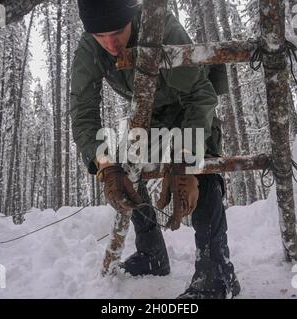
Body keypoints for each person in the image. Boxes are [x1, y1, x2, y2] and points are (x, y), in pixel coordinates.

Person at [70, 0, 240, 299]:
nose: (110, 43)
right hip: (149, 112)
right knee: (124, 166)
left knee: (202, 166)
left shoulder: (161, 27)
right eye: (100, 36)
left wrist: (186, 162)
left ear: (130, 19)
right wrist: (105, 163)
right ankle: (152, 254)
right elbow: (83, 114)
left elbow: (200, 96)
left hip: (191, 104)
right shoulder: (89, 47)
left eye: (117, 32)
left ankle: (217, 274)